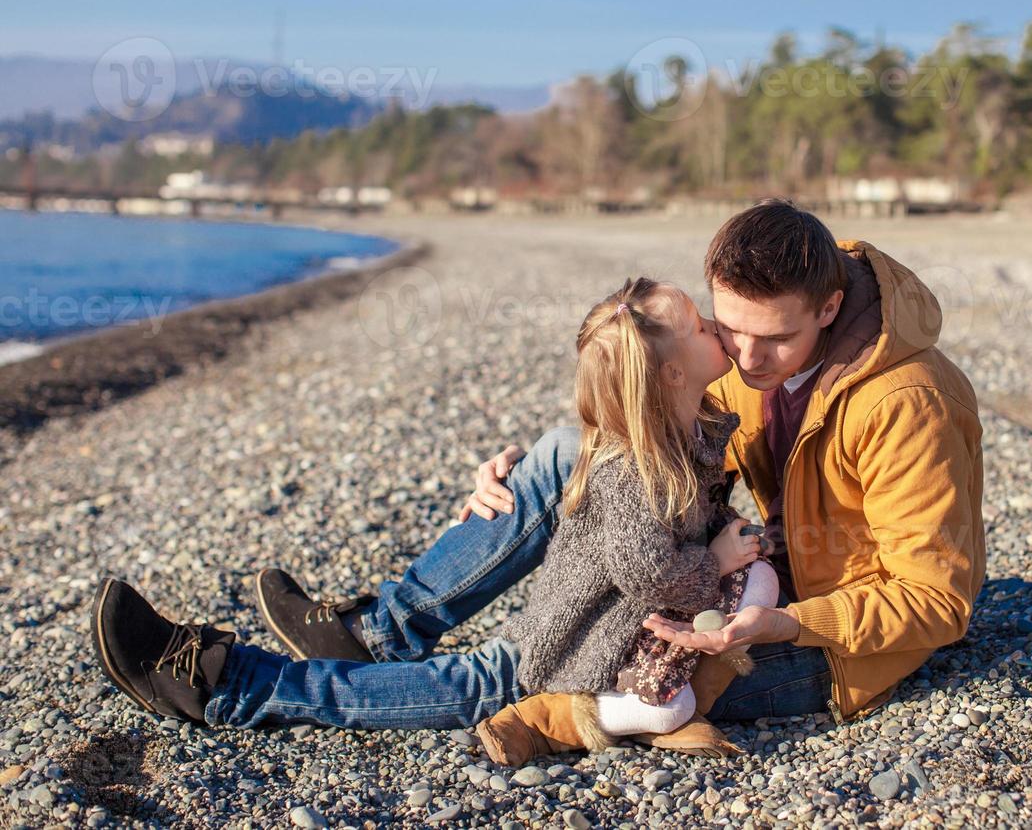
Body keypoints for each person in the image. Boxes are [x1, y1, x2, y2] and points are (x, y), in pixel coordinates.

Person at [90, 278, 770, 756]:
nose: (718, 324)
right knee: (467, 682)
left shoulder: (688, 427)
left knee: (467, 679)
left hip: (609, 643)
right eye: (703, 324)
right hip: (571, 653)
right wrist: (714, 561)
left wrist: (721, 548)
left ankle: (332, 647)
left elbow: (672, 525)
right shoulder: (648, 457)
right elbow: (649, 560)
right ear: (672, 376)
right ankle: (230, 685)